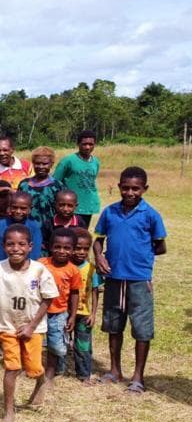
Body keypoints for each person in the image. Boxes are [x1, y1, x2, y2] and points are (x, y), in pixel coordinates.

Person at [93, 166, 166, 393]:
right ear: (119, 187)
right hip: (114, 278)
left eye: (136, 188)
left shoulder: (151, 214)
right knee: (114, 325)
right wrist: (98, 257)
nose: (130, 192)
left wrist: (139, 258)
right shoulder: (109, 212)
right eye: (126, 188)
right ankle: (115, 371)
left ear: (144, 189)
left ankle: (138, 377)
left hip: (138, 279)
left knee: (142, 329)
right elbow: (98, 240)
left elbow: (160, 246)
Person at [0, 224, 58, 422]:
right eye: (10, 244)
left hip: (33, 327)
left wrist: (31, 326)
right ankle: (9, 411)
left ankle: (40, 380)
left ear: (30, 246)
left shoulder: (40, 270)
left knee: (33, 368)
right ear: (4, 246)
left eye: (21, 244)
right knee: (12, 368)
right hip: (7, 326)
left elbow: (48, 299)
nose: (16, 249)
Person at [39, 228, 82, 388]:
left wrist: (72, 316)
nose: (61, 251)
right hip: (38, 311)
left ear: (72, 249)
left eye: (67, 248)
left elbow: (75, 293)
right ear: (50, 247)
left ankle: (50, 373)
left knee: (55, 344)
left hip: (59, 313)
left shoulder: (73, 270)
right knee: (35, 340)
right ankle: (34, 367)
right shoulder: (41, 264)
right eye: (57, 247)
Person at [71, 228, 102, 383]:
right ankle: (57, 370)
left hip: (84, 314)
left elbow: (95, 291)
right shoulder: (65, 267)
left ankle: (84, 374)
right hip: (64, 313)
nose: (81, 252)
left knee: (83, 345)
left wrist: (93, 313)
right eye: (77, 248)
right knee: (60, 344)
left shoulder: (91, 269)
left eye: (85, 249)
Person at [53, 130, 100, 227]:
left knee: (82, 234)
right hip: (69, 206)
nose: (87, 147)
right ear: (78, 144)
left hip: (88, 205)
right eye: (84, 144)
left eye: (90, 144)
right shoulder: (68, 161)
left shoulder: (96, 162)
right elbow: (55, 182)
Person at [0, 191, 42, 266]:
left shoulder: (34, 226)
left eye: (23, 208)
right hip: (3, 268)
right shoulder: (1, 224)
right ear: (9, 207)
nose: (18, 211)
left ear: (30, 209)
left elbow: (35, 252)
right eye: (15, 207)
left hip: (25, 269)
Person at [18, 146, 62, 238]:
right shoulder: (24, 185)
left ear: (51, 164)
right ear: (33, 163)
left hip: (50, 232)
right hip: (27, 231)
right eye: (37, 163)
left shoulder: (57, 186)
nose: (41, 167)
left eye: (45, 163)